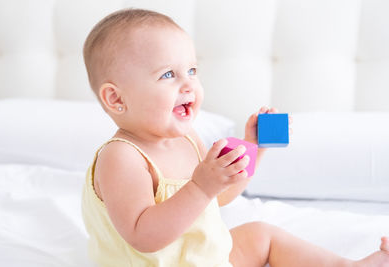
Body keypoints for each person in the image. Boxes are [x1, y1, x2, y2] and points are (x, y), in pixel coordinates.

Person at [81, 8, 389, 267]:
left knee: (261, 234)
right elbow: (143, 236)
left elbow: (219, 196)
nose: (188, 84)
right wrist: (200, 187)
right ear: (116, 99)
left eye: (191, 70)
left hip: (201, 257)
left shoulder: (187, 139)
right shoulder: (121, 157)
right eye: (167, 75)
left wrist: (253, 148)